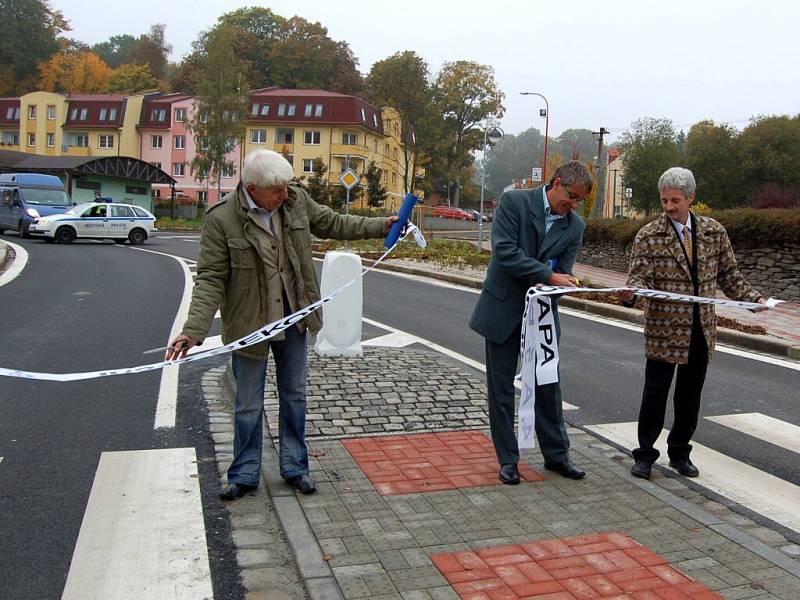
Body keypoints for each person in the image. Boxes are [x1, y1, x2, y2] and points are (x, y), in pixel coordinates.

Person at [166, 149, 398, 500]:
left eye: (287, 187)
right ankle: (244, 474)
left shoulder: (295, 201)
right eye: (276, 189)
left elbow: (334, 222)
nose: (285, 194)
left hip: (294, 320)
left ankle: (296, 467)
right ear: (251, 187)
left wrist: (383, 225)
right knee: (247, 404)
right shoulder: (222, 218)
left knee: (295, 397)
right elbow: (211, 278)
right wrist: (194, 330)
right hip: (249, 326)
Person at [620, 167, 766, 481]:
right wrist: (631, 296)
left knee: (689, 396)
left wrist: (752, 299)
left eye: (675, 200)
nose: (669, 207)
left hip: (701, 329)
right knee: (654, 394)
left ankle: (680, 452)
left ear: (691, 198)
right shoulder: (649, 234)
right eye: (664, 201)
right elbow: (639, 279)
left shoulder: (714, 232)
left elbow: (730, 276)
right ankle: (645, 455)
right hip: (664, 331)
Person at [469, 161, 592, 484]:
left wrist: (559, 284)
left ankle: (557, 455)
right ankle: (508, 459)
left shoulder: (574, 226)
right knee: (502, 389)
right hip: (503, 309)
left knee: (548, 386)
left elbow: (563, 271)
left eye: (580, 201)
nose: (574, 205)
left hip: (541, 315)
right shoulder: (515, 203)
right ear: (557, 183)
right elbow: (505, 253)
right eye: (572, 196)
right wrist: (547, 275)